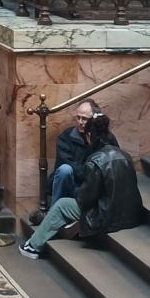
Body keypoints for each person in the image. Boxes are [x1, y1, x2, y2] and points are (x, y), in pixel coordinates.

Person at [18, 110, 142, 258]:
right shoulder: (125, 155)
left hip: (108, 216)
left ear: (89, 135)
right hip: (131, 214)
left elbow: (85, 199)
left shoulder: (96, 161)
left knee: (62, 205)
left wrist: (76, 192)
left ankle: (32, 247)